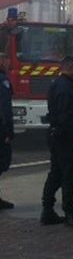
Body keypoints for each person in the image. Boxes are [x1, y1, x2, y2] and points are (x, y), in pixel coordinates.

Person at [41, 56, 73, 228]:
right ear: (69, 67)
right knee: (69, 175)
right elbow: (66, 116)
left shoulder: (65, 84)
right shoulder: (65, 88)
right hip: (64, 138)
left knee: (56, 173)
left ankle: (48, 211)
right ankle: (69, 213)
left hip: (60, 136)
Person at [0, 59, 14, 210]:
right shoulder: (3, 81)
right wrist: (9, 130)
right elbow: (5, 107)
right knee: (2, 161)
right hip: (1, 127)